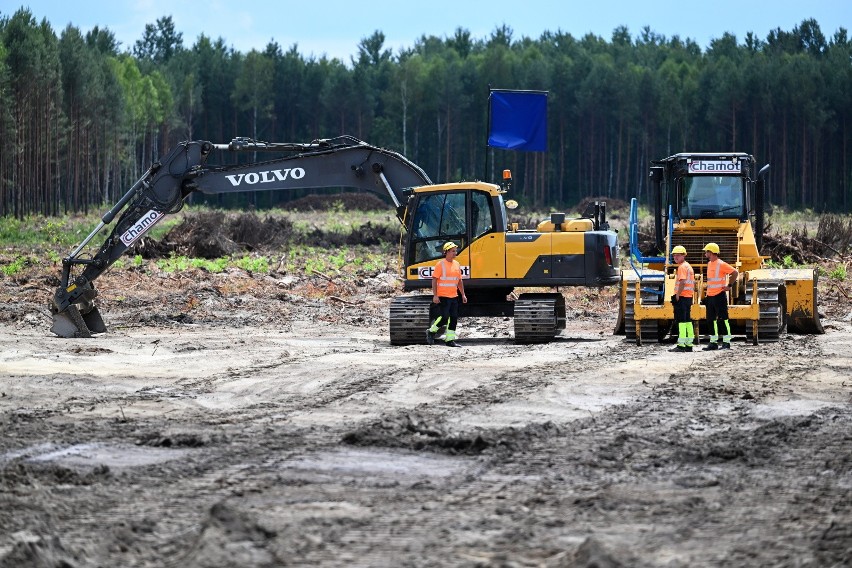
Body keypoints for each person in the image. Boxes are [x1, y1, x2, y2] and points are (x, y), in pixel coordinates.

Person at [426, 241, 468, 347]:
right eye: (453, 251)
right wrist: (435, 295)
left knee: (453, 318)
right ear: (446, 252)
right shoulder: (440, 264)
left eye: (455, 251)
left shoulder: (457, 264)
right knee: (444, 317)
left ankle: (450, 340)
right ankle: (431, 331)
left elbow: (459, 281)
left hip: (454, 296)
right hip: (443, 296)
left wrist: (463, 294)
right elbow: (434, 280)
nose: (455, 253)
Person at [702, 242, 738, 350]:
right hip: (710, 296)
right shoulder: (709, 264)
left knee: (723, 319)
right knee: (710, 320)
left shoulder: (721, 264)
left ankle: (726, 342)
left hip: (719, 296)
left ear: (711, 252)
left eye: (706, 251)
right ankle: (713, 342)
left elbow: (735, 272)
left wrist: (729, 285)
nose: (705, 253)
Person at [670, 245, 695, 352]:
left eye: (678, 256)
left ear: (683, 256)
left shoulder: (682, 267)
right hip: (688, 296)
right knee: (687, 320)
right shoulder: (688, 266)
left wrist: (677, 295)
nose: (676, 258)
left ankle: (681, 345)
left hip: (683, 297)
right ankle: (689, 344)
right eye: (674, 256)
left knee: (681, 321)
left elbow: (683, 281)